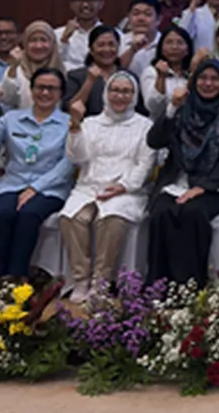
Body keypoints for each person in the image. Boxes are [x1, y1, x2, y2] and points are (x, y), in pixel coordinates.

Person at [145, 60, 219, 286]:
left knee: (192, 213)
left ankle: (190, 285)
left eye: (214, 79)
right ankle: (159, 285)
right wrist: (171, 108)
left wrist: (203, 187)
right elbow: (155, 141)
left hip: (217, 186)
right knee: (161, 211)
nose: (208, 83)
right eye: (202, 78)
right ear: (194, 81)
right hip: (179, 181)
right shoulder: (182, 109)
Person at [0, 68, 74, 278]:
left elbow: (68, 164)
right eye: (40, 87)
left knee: (28, 215)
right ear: (32, 90)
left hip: (50, 188)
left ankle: (17, 281)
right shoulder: (12, 119)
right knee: (2, 214)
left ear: (61, 93)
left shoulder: (69, 123)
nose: (45, 93)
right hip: (12, 183)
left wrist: (35, 188)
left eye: (51, 88)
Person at [60, 72, 155, 303]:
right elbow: (77, 157)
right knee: (71, 218)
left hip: (126, 190)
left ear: (134, 95)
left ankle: (101, 283)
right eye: (115, 90)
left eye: (126, 91)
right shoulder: (91, 123)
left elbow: (146, 162)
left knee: (111, 219)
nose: (119, 96)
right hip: (89, 187)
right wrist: (75, 126)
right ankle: (81, 279)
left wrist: (124, 186)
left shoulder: (144, 125)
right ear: (105, 93)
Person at [63, 25, 131, 117]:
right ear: (91, 49)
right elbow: (69, 110)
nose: (107, 49)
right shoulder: (76, 76)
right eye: (101, 45)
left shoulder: (129, 77)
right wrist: (89, 81)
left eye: (111, 44)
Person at [0, 20, 63, 110]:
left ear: (53, 43)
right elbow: (6, 99)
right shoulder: (17, 70)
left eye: (43, 40)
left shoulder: (64, 69)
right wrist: (13, 67)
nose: (38, 46)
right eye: (33, 40)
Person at [141, 27, 198, 120]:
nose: (174, 47)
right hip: (159, 127)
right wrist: (161, 77)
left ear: (188, 49)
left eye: (180, 42)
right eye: (169, 42)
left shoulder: (193, 73)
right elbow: (153, 108)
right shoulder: (151, 72)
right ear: (161, 48)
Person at [55, 0, 106, 71]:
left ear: (101, 4)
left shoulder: (113, 35)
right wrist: (64, 40)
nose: (85, 5)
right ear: (71, 4)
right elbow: (51, 64)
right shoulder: (57, 34)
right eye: (80, 0)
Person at [118, 0, 162, 76]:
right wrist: (132, 50)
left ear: (159, 19)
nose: (141, 18)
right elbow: (113, 72)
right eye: (136, 14)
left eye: (147, 14)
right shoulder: (119, 41)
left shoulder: (165, 43)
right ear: (129, 17)